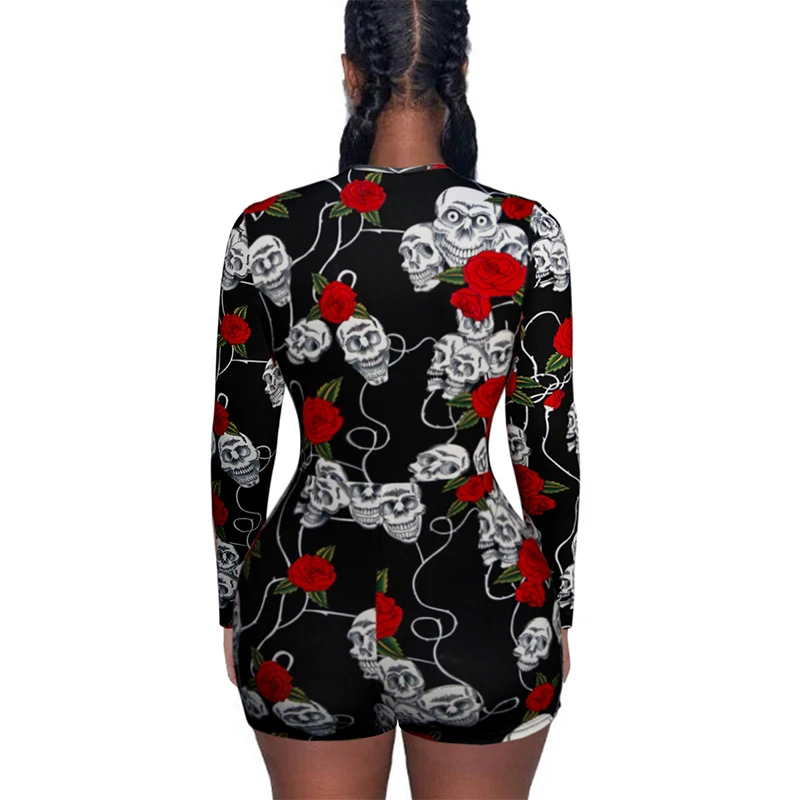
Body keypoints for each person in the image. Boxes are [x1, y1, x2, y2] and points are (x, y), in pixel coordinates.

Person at [209, 1, 580, 797]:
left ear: (351, 74)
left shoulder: (268, 230)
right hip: (483, 603)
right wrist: (560, 603)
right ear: (461, 73)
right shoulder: (524, 233)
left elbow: (240, 446)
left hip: (304, 606)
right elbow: (547, 447)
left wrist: (232, 602)